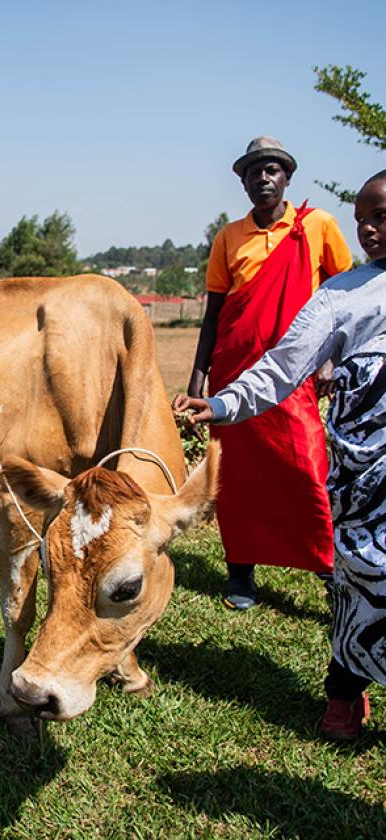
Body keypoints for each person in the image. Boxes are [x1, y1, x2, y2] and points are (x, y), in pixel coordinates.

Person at [174, 170, 386, 739]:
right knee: (363, 575)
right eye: (363, 216)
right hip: (365, 474)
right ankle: (343, 696)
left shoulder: (314, 229)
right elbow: (282, 365)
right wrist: (219, 402)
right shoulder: (341, 298)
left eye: (381, 217)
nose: (368, 228)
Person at [187, 137, 353, 610]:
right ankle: (241, 572)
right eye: (254, 171)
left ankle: (327, 567)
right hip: (234, 372)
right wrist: (199, 380)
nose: (264, 177)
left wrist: (329, 359)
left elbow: (344, 296)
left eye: (273, 169)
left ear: (288, 178)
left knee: (306, 467)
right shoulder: (228, 237)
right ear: (242, 182)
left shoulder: (318, 226)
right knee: (236, 480)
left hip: (295, 373)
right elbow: (214, 312)